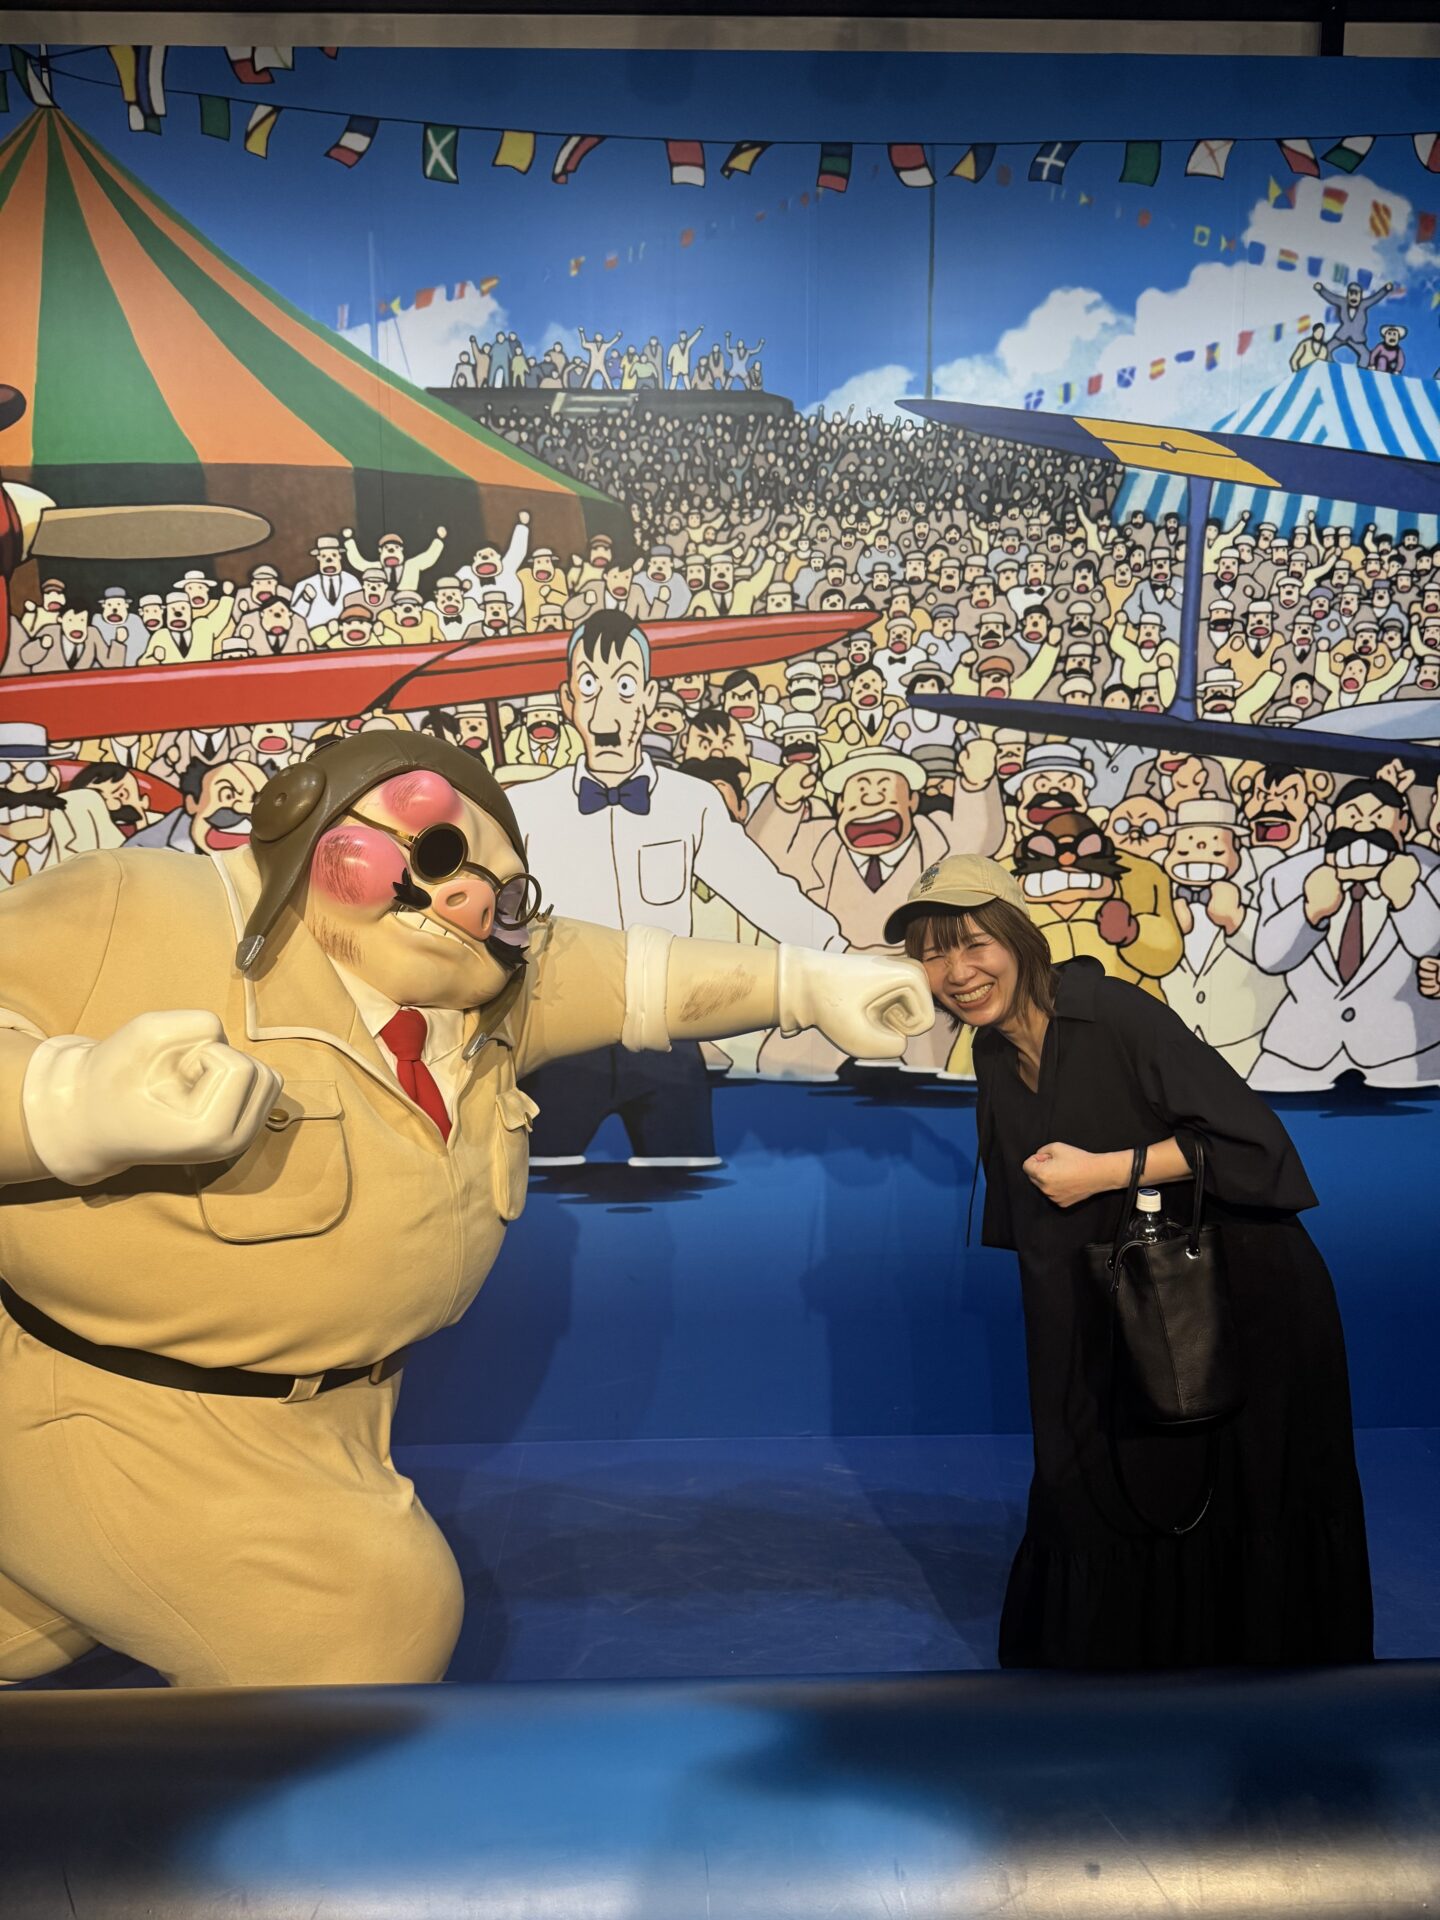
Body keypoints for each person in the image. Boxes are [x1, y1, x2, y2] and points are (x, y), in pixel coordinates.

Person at [887, 852, 1373, 1671]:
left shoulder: (1112, 1013)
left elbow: (1253, 1147)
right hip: (1118, 1305)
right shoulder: (994, 1054)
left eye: (973, 944)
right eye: (934, 955)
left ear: (1020, 938)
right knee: (1097, 1485)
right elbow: (1038, 1228)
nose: (957, 973)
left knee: (1238, 1498)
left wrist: (1107, 1170)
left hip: (1233, 1299)